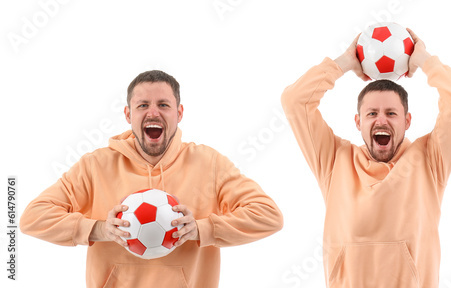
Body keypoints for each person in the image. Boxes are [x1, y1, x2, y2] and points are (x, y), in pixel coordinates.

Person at [20, 70, 284, 288]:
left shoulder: (209, 164)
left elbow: (268, 215)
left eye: (163, 105)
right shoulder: (95, 165)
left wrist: (202, 229)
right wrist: (99, 229)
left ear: (179, 114)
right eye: (143, 105)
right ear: (128, 114)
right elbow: (33, 217)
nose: (153, 112)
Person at [280, 29, 451, 287]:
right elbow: (295, 101)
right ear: (358, 122)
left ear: (406, 121)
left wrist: (424, 60)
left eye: (391, 113)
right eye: (372, 114)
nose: (381, 119)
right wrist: (344, 63)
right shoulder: (334, 159)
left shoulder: (430, 159)